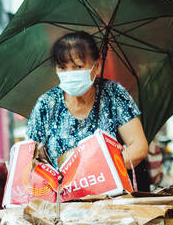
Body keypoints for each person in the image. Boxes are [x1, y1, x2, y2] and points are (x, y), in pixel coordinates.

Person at [26, 32, 149, 182]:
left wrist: (98, 168)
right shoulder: (46, 104)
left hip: (110, 195)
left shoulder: (113, 93)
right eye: (63, 68)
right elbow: (29, 160)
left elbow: (138, 146)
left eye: (78, 66)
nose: (70, 74)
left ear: (96, 66)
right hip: (61, 200)